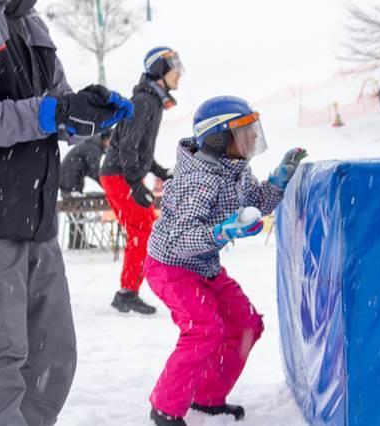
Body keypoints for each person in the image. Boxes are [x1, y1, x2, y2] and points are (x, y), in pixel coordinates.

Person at [0, 0, 133, 425]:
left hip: (35, 221)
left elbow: (54, 109)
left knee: (54, 359)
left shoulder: (28, 22)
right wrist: (54, 112)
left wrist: (84, 113)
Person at [144, 95, 307, 426]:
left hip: (204, 266)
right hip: (171, 268)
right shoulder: (197, 180)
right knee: (204, 329)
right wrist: (222, 231)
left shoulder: (236, 170)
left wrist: (278, 181)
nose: (251, 140)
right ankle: (164, 407)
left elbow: (254, 202)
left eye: (252, 131)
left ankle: (207, 396)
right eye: (244, 133)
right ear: (219, 138)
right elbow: (179, 240)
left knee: (246, 325)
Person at [100, 46, 183, 315]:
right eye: (174, 66)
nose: (179, 73)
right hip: (119, 174)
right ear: (159, 69)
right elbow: (126, 146)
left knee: (144, 230)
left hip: (121, 173)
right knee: (143, 230)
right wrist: (135, 183)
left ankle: (128, 291)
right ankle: (127, 292)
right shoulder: (145, 101)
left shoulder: (151, 100)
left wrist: (160, 172)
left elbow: (140, 150)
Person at [59, 129, 112, 198]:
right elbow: (95, 172)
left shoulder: (92, 145)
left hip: (68, 181)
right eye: (111, 142)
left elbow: (93, 172)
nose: (112, 146)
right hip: (69, 181)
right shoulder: (93, 148)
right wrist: (109, 188)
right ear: (105, 139)